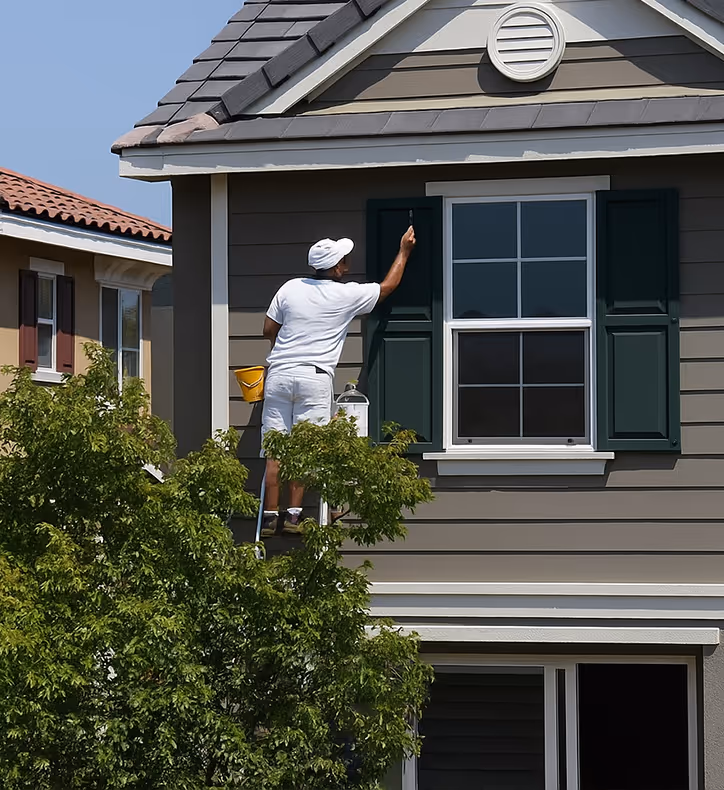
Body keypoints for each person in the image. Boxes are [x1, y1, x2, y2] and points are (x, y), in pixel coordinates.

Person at [260, 226, 417, 536]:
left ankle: (268, 518)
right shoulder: (346, 294)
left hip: (278, 373)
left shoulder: (289, 288)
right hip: (314, 377)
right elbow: (387, 287)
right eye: (345, 261)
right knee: (305, 449)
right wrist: (404, 252)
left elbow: (268, 329)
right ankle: (293, 517)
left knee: (275, 449)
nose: (348, 265)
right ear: (335, 267)